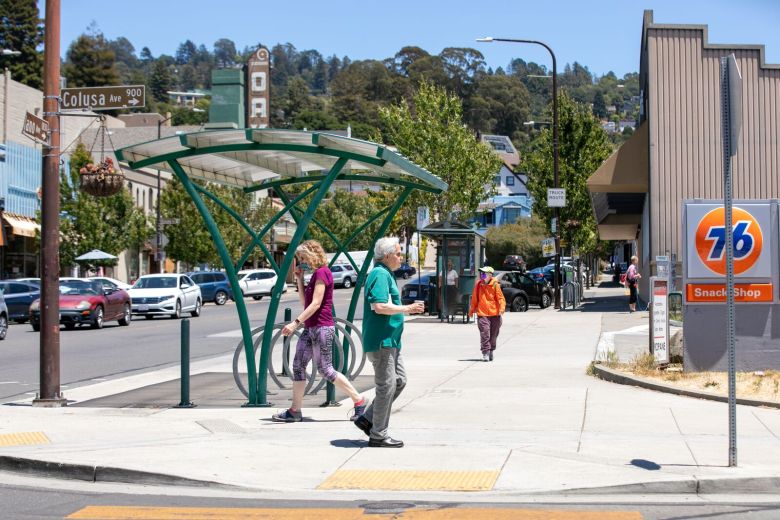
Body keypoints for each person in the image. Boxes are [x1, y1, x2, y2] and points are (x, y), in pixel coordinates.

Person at [271, 240, 367, 423]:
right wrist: (299, 279)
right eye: (300, 258)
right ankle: (295, 410)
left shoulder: (323, 273)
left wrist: (295, 323)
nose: (302, 261)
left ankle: (359, 400)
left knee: (326, 370)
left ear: (312, 254)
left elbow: (316, 304)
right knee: (298, 366)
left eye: (303, 257)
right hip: (311, 328)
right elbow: (305, 304)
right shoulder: (315, 275)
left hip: (322, 328)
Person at [353, 237, 424, 448]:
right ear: (386, 255)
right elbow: (379, 306)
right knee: (386, 386)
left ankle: (367, 418)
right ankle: (378, 435)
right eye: (398, 253)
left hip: (391, 340)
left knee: (399, 380)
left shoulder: (387, 274)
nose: (401, 257)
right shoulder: (379, 274)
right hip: (381, 340)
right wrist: (407, 309)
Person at [468, 266, 505, 362]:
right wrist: (472, 310)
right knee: (485, 333)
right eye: (481, 273)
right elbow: (474, 298)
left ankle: (491, 350)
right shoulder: (478, 284)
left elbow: (500, 298)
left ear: (490, 275)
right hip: (482, 313)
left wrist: (502, 308)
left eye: (484, 273)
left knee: (493, 335)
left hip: (495, 314)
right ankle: (485, 352)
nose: (482, 275)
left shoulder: (495, 285)